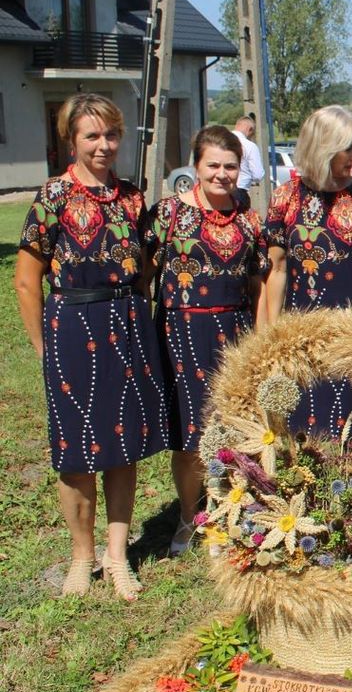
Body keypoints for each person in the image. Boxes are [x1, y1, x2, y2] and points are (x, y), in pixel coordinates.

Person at [14, 93, 167, 600]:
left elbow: (147, 268)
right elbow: (26, 279)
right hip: (72, 327)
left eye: (110, 135)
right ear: (71, 140)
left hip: (125, 323)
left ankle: (118, 555)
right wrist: (43, 346)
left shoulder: (133, 197)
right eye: (91, 136)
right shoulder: (53, 196)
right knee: (75, 454)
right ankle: (82, 558)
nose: (103, 145)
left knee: (124, 446)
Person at [147, 125, 263, 555]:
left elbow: (258, 283)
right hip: (180, 333)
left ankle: (224, 515)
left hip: (233, 333)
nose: (221, 174)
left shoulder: (249, 219)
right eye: (212, 165)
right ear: (196, 166)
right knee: (190, 436)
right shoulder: (168, 215)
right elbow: (144, 274)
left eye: (230, 166)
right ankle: (187, 517)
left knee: (230, 428)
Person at [262, 106, 352, 437]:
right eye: (348, 147)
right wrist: (272, 334)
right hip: (303, 325)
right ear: (324, 146)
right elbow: (275, 270)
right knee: (306, 414)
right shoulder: (285, 198)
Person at [231, 116, 265, 193]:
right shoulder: (250, 146)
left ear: (237, 125)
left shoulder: (221, 141)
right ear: (250, 130)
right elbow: (258, 175)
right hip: (239, 190)